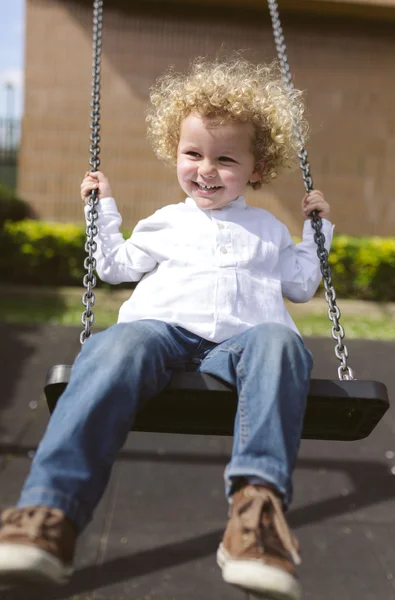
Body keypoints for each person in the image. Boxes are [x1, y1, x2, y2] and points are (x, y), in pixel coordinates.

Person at [0, 55, 333, 600]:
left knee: (283, 343)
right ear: (174, 152)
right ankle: (48, 513)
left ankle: (255, 518)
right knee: (119, 344)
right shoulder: (164, 221)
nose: (205, 169)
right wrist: (101, 209)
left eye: (225, 159)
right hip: (162, 330)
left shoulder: (268, 228)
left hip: (244, 340)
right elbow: (115, 267)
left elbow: (299, 286)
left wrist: (317, 233)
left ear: (257, 168)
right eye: (192, 153)